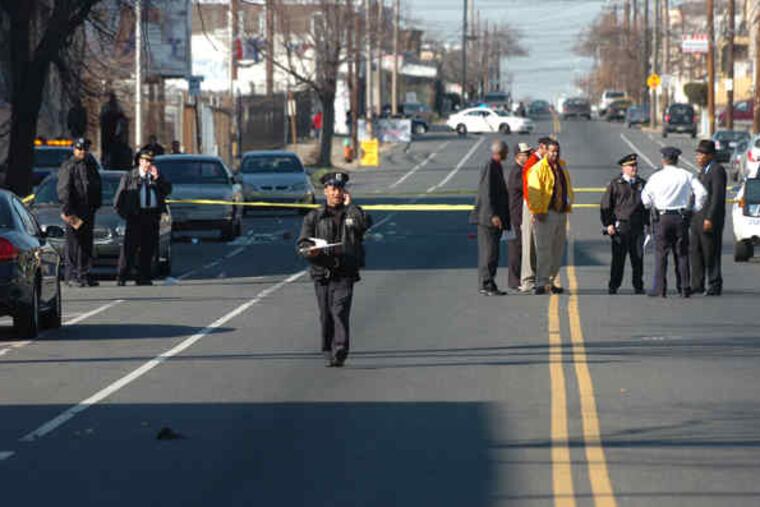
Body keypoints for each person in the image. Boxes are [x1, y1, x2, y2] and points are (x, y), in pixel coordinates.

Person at [298, 172, 372, 367]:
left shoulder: (353, 213)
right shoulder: (314, 216)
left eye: (340, 189)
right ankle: (328, 349)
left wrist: (351, 206)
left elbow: (365, 224)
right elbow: (303, 243)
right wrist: (310, 251)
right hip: (322, 272)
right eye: (333, 189)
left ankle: (340, 349)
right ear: (326, 191)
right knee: (326, 314)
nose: (336, 193)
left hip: (345, 271)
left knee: (339, 311)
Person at [641, 147, 707, 298]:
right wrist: (694, 208)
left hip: (662, 218)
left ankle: (661, 289)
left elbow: (645, 199)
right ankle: (684, 288)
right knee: (682, 254)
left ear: (663, 160)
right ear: (677, 160)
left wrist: (652, 205)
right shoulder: (686, 175)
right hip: (681, 217)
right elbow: (702, 193)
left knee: (661, 254)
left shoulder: (656, 177)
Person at [114, 150, 172, 286]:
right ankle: (122, 276)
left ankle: (143, 276)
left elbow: (167, 190)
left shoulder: (155, 176)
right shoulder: (130, 176)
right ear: (140, 161)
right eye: (145, 161)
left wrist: (158, 178)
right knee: (130, 247)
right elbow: (119, 199)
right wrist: (125, 214)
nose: (148, 164)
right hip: (135, 215)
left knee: (148, 247)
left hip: (151, 215)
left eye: (150, 161)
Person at [527, 139, 574, 295]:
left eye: (557, 151)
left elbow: (566, 186)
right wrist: (538, 210)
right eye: (552, 151)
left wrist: (569, 202)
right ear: (545, 151)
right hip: (545, 214)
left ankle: (552, 281)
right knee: (544, 250)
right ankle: (541, 282)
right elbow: (534, 192)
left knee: (557, 249)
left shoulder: (562, 166)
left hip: (561, 213)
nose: (555, 154)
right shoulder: (538, 169)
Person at [600, 153, 648, 294]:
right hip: (621, 227)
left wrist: (648, 225)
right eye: (631, 166)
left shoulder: (642, 184)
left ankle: (638, 285)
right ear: (623, 168)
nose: (634, 168)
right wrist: (608, 224)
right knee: (618, 259)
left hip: (637, 227)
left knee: (638, 258)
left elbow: (647, 206)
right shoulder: (615, 184)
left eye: (635, 165)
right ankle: (613, 285)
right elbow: (606, 206)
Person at [57, 138, 102, 287]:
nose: (82, 151)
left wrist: (96, 204)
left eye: (84, 149)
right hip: (74, 210)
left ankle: (84, 274)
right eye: (79, 149)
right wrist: (68, 210)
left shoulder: (91, 165)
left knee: (86, 243)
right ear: (74, 149)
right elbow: (64, 189)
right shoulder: (69, 166)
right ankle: (72, 275)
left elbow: (96, 186)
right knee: (74, 243)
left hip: (88, 210)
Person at [470, 140, 511, 296]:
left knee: (493, 253)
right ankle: (486, 284)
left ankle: (489, 283)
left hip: (494, 217)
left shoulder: (496, 166)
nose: (508, 154)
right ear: (500, 152)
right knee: (489, 252)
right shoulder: (490, 166)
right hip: (488, 218)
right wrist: (492, 214)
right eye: (506, 151)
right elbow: (486, 193)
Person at [691, 140, 727, 296]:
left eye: (701, 154)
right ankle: (697, 284)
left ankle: (714, 283)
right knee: (696, 251)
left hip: (709, 219)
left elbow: (717, 197)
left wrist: (710, 218)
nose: (698, 157)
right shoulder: (703, 171)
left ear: (710, 155)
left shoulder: (717, 170)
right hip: (697, 219)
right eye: (697, 154)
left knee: (711, 252)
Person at [519, 137, 551, 293]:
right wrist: (534, 210)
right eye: (549, 150)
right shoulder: (532, 162)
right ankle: (527, 280)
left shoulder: (540, 162)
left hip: (539, 207)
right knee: (530, 245)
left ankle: (537, 279)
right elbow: (529, 188)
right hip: (532, 207)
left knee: (538, 245)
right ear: (542, 147)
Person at [507, 142, 531, 290]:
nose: (528, 156)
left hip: (520, 215)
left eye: (529, 154)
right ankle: (514, 281)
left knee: (522, 248)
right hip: (516, 216)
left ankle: (521, 278)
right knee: (515, 249)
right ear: (517, 156)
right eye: (525, 154)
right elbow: (525, 187)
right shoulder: (517, 172)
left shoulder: (523, 170)